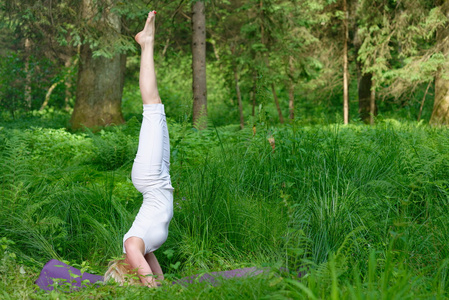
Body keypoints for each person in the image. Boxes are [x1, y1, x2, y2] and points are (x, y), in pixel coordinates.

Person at [104, 10, 174, 288]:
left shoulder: (133, 245)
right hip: (159, 179)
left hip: (151, 179)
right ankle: (146, 43)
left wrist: (148, 289)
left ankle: (146, 43)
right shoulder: (143, 248)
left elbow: (152, 286)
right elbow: (160, 281)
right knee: (157, 110)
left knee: (153, 107)